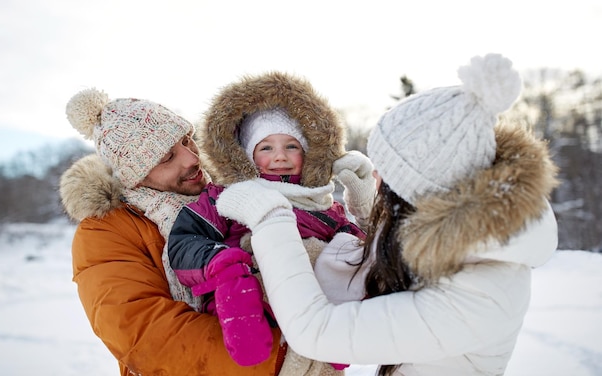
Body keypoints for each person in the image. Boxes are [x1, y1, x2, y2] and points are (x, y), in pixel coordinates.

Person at [214, 54, 560, 375]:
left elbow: (315, 330)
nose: (376, 176)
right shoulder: (468, 243)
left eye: (387, 174)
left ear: (415, 190)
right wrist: (365, 206)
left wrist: (271, 218)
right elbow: (379, 259)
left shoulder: (481, 297)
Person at [125, 71, 375, 375]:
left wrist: (362, 200)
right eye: (266, 148)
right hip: (251, 280)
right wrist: (220, 262)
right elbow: (185, 240)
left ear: (308, 152)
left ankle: (338, 332)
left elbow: (363, 248)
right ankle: (241, 318)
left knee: (341, 254)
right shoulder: (227, 196)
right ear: (247, 155)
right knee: (242, 270)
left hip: (313, 296)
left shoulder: (321, 201)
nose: (280, 156)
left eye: (291, 146)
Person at [58, 88, 288, 375]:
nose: (192, 158)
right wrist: (285, 355)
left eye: (186, 140)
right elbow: (148, 336)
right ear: (134, 177)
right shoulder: (105, 231)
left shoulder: (230, 195)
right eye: (167, 157)